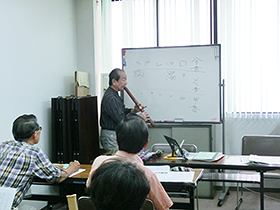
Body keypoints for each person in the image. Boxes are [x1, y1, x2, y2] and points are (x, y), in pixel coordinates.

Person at [87, 113, 173, 210]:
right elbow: (163, 207)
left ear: (116, 141)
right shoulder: (147, 174)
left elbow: (90, 193)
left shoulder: (99, 162)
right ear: (145, 144)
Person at [0, 114, 81, 210]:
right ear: (35, 134)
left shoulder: (3, 146)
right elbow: (58, 177)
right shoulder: (34, 153)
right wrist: (73, 167)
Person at [100, 68, 150, 153]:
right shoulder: (111, 98)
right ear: (114, 81)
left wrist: (133, 110)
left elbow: (121, 111)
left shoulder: (114, 95)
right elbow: (121, 119)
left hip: (114, 134)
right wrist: (139, 118)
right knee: (117, 162)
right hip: (111, 135)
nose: (125, 83)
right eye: (123, 79)